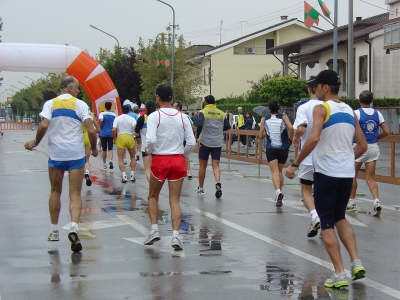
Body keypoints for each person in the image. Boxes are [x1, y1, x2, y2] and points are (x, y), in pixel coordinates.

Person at [285, 70, 368, 288]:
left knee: (327, 222)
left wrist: (295, 163)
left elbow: (313, 138)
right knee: (341, 217)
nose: (315, 90)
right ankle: (356, 262)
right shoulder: (351, 111)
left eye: (317, 86)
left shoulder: (323, 108)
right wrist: (348, 159)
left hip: (326, 172)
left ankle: (339, 273)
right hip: (346, 173)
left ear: (326, 88)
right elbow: (363, 145)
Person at [24, 76, 98, 252]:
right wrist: (94, 148)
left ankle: (54, 230)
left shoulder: (50, 104)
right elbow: (91, 129)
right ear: (70, 88)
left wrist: (35, 142)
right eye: (78, 88)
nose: (79, 92)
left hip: (56, 154)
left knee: (55, 191)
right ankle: (73, 227)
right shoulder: (80, 105)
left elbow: (43, 125)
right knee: (75, 194)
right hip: (76, 154)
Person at [143, 84, 195, 250]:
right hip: (177, 160)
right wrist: (184, 154)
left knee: (153, 196)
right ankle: (175, 236)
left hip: (160, 159)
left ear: (158, 97)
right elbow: (192, 142)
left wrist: (149, 151)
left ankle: (154, 230)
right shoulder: (183, 117)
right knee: (175, 201)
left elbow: (150, 140)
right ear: (171, 97)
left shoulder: (154, 116)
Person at [347, 90, 390, 215]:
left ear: (359, 100)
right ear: (371, 101)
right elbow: (387, 131)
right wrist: (377, 137)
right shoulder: (377, 114)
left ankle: (352, 202)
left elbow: (350, 129)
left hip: (359, 147)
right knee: (370, 178)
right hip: (373, 147)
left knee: (352, 175)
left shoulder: (356, 113)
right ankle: (376, 201)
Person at [292, 76, 323, 237]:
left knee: (306, 191)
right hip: (327, 157)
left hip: (307, 156)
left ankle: (314, 216)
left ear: (309, 90)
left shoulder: (304, 108)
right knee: (321, 192)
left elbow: (302, 129)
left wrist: (296, 136)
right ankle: (321, 221)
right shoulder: (329, 106)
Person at [258, 100, 293, 207]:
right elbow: (291, 128)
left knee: (274, 172)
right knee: (280, 171)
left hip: (271, 148)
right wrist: (290, 138)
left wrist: (266, 133)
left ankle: (278, 192)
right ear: (278, 108)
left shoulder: (265, 119)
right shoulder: (284, 117)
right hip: (283, 148)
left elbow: (260, 135)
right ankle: (279, 197)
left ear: (269, 108)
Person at [196, 95, 231, 198]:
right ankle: (218, 182)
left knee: (202, 166)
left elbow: (200, 124)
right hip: (217, 142)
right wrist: (219, 130)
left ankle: (201, 189)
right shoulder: (221, 113)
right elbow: (228, 126)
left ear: (206, 102)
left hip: (205, 142)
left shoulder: (203, 112)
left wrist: (197, 135)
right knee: (216, 165)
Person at [112, 105, 137, 183]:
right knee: (133, 157)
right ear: (129, 110)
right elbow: (135, 128)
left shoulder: (117, 118)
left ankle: (124, 175)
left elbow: (113, 129)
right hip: (130, 137)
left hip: (121, 137)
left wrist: (114, 138)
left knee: (120, 158)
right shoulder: (132, 119)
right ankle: (132, 175)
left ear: (121, 110)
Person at [135, 100, 156, 182]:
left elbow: (136, 133)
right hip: (157, 148)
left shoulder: (142, 118)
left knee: (148, 169)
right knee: (156, 171)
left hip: (146, 148)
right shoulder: (158, 117)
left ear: (146, 109)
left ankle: (152, 191)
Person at [173, 101, 194, 180]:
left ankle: (188, 171)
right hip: (176, 139)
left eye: (174, 106)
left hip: (184, 139)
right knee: (177, 155)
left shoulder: (185, 116)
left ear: (178, 108)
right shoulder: (172, 116)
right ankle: (180, 170)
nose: (172, 108)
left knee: (185, 155)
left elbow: (192, 126)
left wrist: (189, 135)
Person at [83, 109, 100, 186]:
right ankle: (86, 171)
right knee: (86, 159)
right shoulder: (91, 115)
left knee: (76, 159)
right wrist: (92, 132)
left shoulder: (76, 113)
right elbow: (98, 129)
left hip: (78, 138)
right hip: (88, 138)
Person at [99, 102, 116, 170]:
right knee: (110, 149)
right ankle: (110, 161)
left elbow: (101, 120)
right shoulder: (114, 115)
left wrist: (100, 126)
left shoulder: (102, 114)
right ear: (111, 107)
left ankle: (104, 163)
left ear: (105, 107)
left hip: (103, 133)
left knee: (104, 149)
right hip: (110, 133)